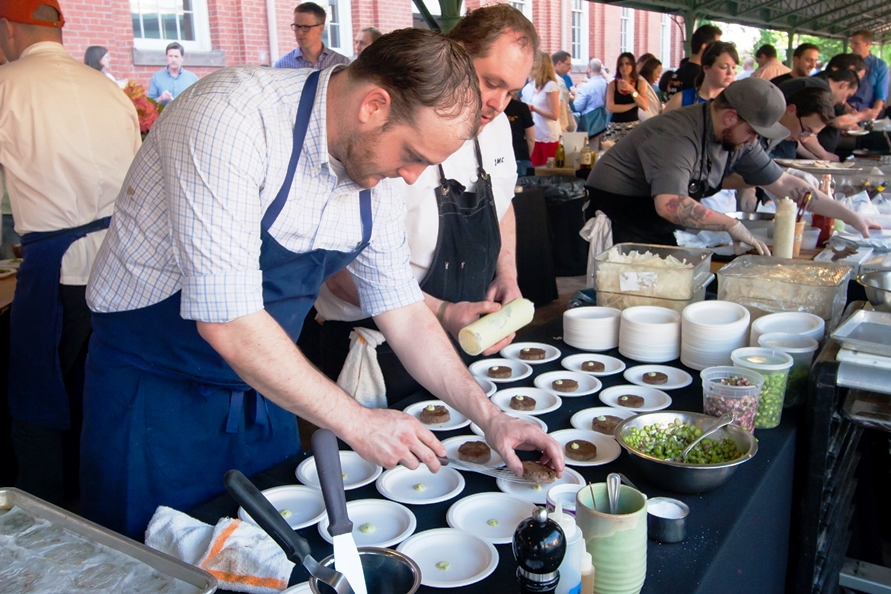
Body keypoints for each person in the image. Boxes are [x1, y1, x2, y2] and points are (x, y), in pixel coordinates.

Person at [82, 27, 563, 539]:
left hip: (272, 389)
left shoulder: (377, 169)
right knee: (160, 557)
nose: (412, 177)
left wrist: (491, 419)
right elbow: (229, 321)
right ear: (373, 106)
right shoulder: (230, 118)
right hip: (155, 395)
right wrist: (357, 421)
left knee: (271, 554)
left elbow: (403, 309)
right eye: (413, 156)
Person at [311, 4, 537, 403]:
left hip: (461, 334)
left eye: (512, 92)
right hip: (374, 344)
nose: (499, 103)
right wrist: (442, 312)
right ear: (455, 54)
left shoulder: (498, 126)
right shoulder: (391, 127)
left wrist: (508, 275)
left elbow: (501, 203)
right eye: (491, 82)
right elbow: (341, 274)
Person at [0, 0, 141, 507]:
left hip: (59, 273)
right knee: (99, 396)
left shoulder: (7, 85)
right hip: (124, 267)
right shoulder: (108, 90)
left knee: (38, 404)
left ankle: (44, 519)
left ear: (6, 28)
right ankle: (103, 511)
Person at [584, 77, 877, 250]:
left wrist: (851, 217)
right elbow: (670, 204)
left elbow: (783, 182)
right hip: (620, 213)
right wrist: (731, 225)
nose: (753, 141)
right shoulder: (676, 134)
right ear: (730, 117)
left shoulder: (738, 137)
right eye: (752, 132)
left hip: (651, 217)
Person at [783, 69, 861, 160]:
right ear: (845, 85)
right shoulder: (819, 89)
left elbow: (796, 141)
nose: (843, 102)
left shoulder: (818, 83)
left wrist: (819, 158)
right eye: (848, 96)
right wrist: (863, 115)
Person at [663, 41, 738, 112]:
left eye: (733, 67)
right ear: (706, 68)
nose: (730, 72)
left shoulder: (736, 103)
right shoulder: (680, 99)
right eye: (724, 67)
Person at [275, 2, 349, 70]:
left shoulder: (341, 64)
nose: (300, 32)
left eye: (306, 27)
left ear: (321, 28)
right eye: (297, 26)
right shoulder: (282, 66)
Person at [522, 50, 562, 166]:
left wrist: (534, 109)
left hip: (548, 134)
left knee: (548, 167)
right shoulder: (532, 86)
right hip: (536, 133)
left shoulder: (550, 86)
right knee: (535, 167)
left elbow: (555, 115)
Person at [603, 52, 649, 145]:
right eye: (621, 64)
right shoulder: (613, 84)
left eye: (627, 64)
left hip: (633, 127)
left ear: (632, 65)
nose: (624, 67)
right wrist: (634, 104)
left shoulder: (640, 83)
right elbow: (611, 108)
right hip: (615, 127)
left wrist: (632, 90)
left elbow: (644, 105)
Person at [667, 24, 722, 97]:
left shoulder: (678, 72)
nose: (718, 51)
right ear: (704, 47)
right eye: (716, 46)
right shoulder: (702, 75)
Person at [847, 29, 889, 121]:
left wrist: (872, 116)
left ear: (867, 44)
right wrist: (849, 110)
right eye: (851, 43)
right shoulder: (845, 63)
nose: (851, 46)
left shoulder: (879, 65)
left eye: (856, 43)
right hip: (845, 110)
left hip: (868, 110)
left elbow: (881, 96)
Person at [575, 58, 610, 139]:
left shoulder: (586, 87)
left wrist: (575, 94)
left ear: (589, 69)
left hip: (590, 122)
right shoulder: (607, 84)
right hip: (604, 121)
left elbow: (578, 107)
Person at [505, 90, 535, 176]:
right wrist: (526, 155)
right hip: (520, 154)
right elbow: (530, 139)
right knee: (525, 184)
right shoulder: (522, 108)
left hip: (499, 158)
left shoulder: (494, 108)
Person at [551, 50, 577, 132]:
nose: (570, 68)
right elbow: (564, 106)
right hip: (560, 127)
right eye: (568, 64)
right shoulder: (559, 81)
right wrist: (572, 125)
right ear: (559, 63)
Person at [637, 56, 663, 120]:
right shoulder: (642, 83)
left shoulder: (647, 84)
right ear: (651, 70)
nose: (659, 76)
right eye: (658, 72)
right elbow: (641, 110)